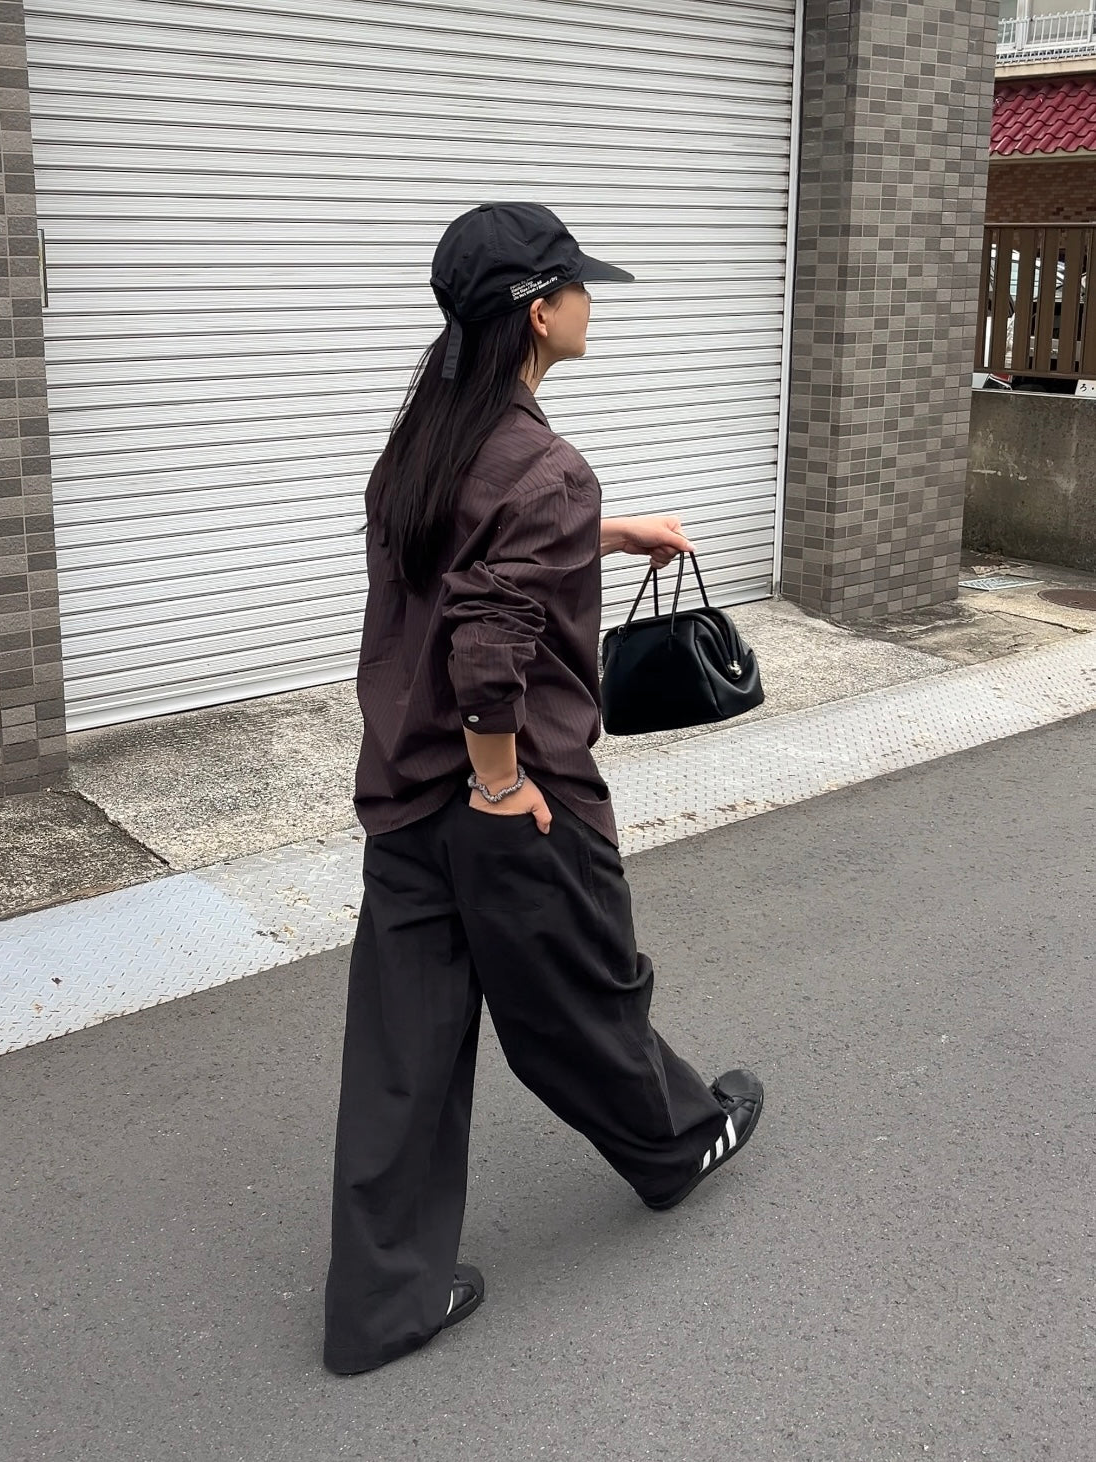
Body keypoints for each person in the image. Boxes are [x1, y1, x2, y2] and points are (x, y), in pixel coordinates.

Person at [323, 203, 764, 1376]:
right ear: (535, 312)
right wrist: (503, 780)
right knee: (585, 995)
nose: (588, 302)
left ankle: (383, 1303)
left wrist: (603, 533)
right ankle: (678, 1145)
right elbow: (487, 638)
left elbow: (466, 554)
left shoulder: (425, 437)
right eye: (576, 286)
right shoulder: (545, 465)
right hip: (507, 799)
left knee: (403, 1049)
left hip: (403, 793)